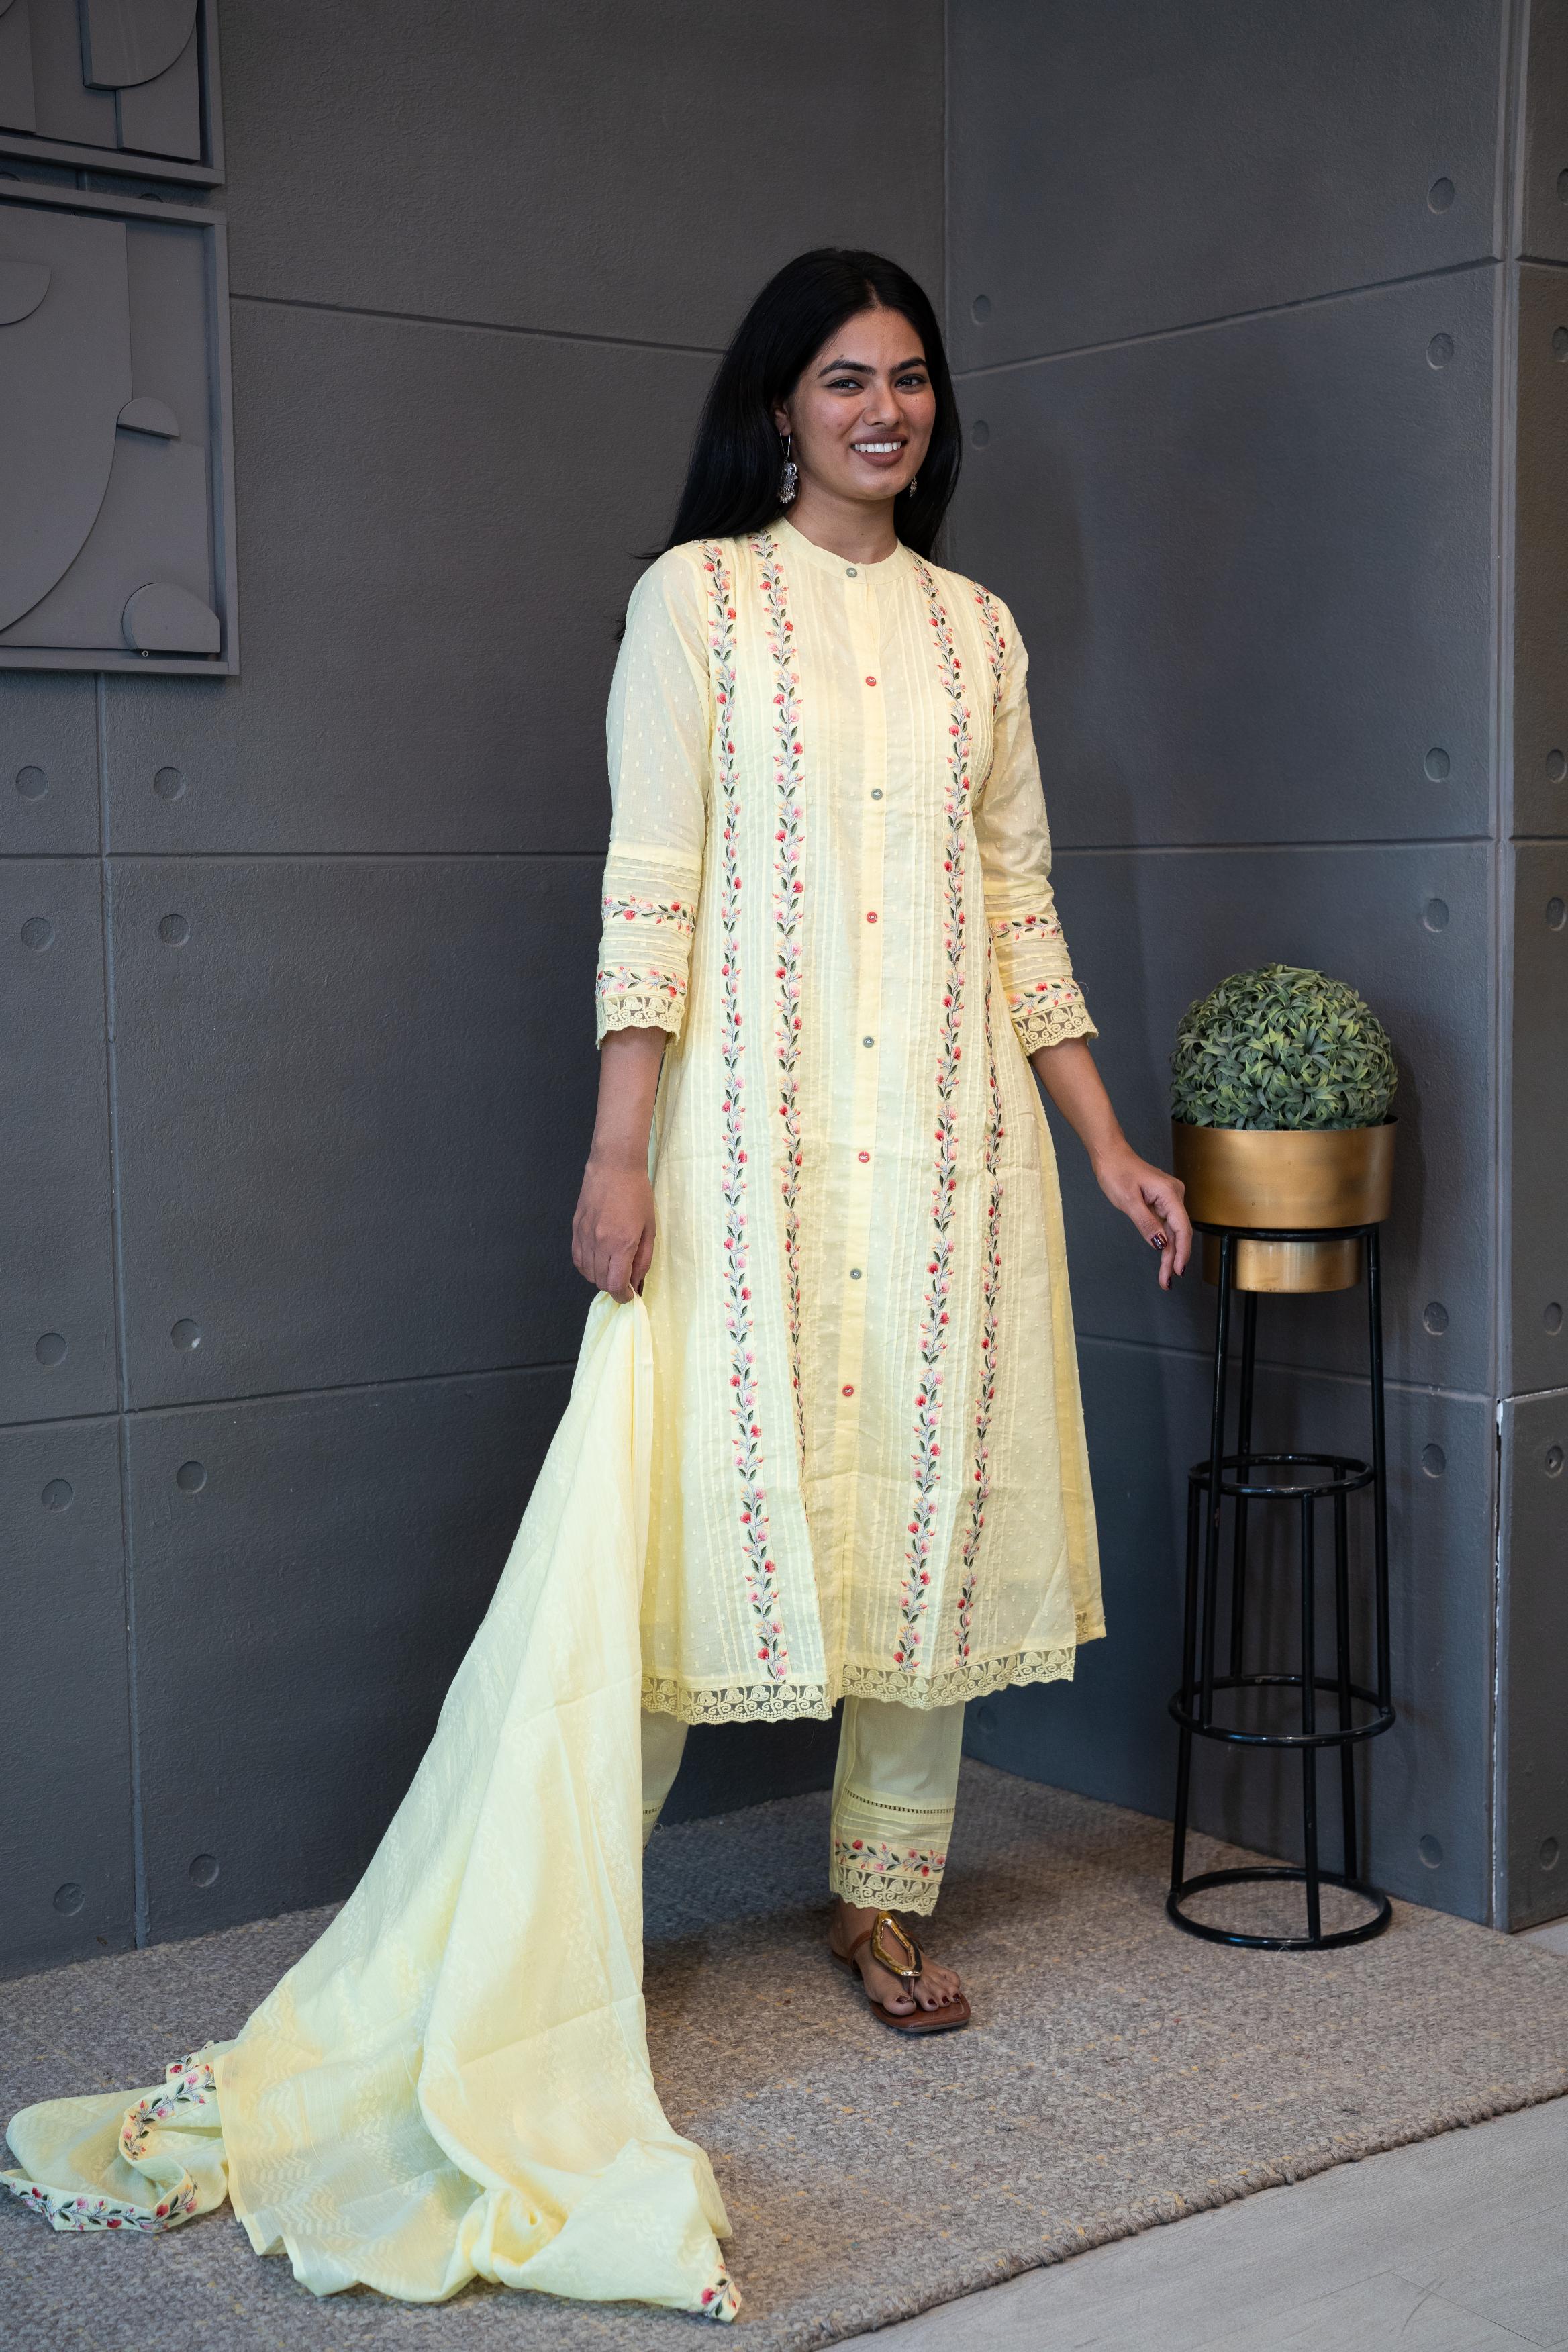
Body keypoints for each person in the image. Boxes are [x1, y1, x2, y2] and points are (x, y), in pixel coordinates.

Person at [572, 246, 1191, 2033]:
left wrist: (1101, 1144)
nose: (883, 410)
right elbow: (654, 888)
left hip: (945, 1147)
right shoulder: (694, 603)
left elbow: (1016, 911)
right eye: (844, 378)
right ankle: (573, 1912)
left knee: (935, 1501)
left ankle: (882, 1903)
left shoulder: (974, 631)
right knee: (671, 1513)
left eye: (908, 378)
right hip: (745, 1142)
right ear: (779, 404)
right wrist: (621, 1150)